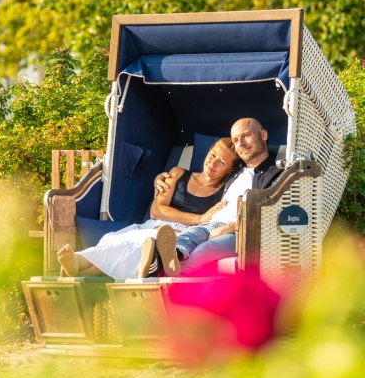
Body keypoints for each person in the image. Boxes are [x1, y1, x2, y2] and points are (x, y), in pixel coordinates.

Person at [57, 138, 240, 280]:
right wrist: (199, 218)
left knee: (139, 247)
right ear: (208, 151)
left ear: (230, 170)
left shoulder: (225, 192)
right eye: (213, 155)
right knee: (116, 240)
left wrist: (195, 222)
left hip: (180, 235)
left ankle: (80, 261)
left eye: (222, 162)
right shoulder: (177, 173)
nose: (213, 163)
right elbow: (157, 210)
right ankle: (81, 266)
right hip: (155, 224)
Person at [138, 117, 283, 277]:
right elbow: (203, 178)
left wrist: (233, 227)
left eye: (246, 135)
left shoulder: (276, 175)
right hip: (210, 225)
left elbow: (274, 215)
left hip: (241, 234)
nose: (241, 143)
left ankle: (159, 277)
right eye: (236, 140)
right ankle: (160, 263)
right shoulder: (234, 173)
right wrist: (160, 178)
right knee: (186, 238)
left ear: (263, 135)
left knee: (202, 251)